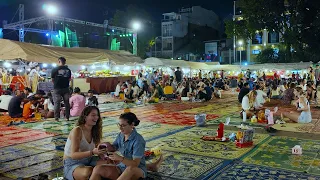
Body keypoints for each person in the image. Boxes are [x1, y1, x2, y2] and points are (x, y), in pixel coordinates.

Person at [90, 112, 146, 180]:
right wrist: (105, 145)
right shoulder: (121, 135)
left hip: (137, 171)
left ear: (132, 124)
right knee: (98, 168)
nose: (120, 128)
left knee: (130, 169)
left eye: (123, 125)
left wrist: (120, 158)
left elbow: (135, 164)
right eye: (119, 125)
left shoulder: (138, 140)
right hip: (122, 167)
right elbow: (114, 147)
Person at [63, 106, 104, 180]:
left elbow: (98, 148)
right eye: (93, 115)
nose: (96, 117)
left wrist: (103, 152)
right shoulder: (77, 130)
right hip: (72, 163)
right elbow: (73, 155)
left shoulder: (95, 131)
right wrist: (92, 152)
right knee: (88, 172)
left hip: (89, 159)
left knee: (109, 163)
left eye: (97, 115)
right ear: (85, 117)